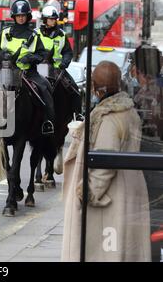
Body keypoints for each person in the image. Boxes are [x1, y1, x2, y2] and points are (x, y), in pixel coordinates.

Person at [62, 60, 151, 261]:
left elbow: (105, 163)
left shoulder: (109, 118)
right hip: (128, 189)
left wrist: (86, 192)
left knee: (105, 253)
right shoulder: (129, 111)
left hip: (110, 199)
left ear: (95, 87)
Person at [0, 0, 54, 134]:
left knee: (44, 88)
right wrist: (3, 57)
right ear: (13, 16)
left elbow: (42, 54)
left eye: (23, 15)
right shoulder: (5, 33)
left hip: (28, 73)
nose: (20, 18)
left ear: (28, 16)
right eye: (18, 15)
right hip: (6, 73)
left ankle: (47, 122)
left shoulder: (34, 35)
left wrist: (32, 58)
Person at [38, 4, 83, 120]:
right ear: (44, 20)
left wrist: (64, 63)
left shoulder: (62, 35)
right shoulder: (36, 34)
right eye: (50, 19)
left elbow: (68, 52)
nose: (52, 21)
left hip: (57, 69)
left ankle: (78, 113)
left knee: (73, 87)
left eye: (54, 19)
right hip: (39, 68)